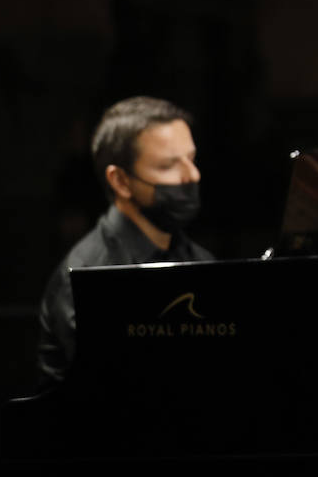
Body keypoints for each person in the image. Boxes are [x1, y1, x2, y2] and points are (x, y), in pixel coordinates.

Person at [35, 95, 214, 388]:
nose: (192, 175)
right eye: (169, 165)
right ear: (120, 181)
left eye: (191, 159)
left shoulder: (203, 262)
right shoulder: (85, 278)